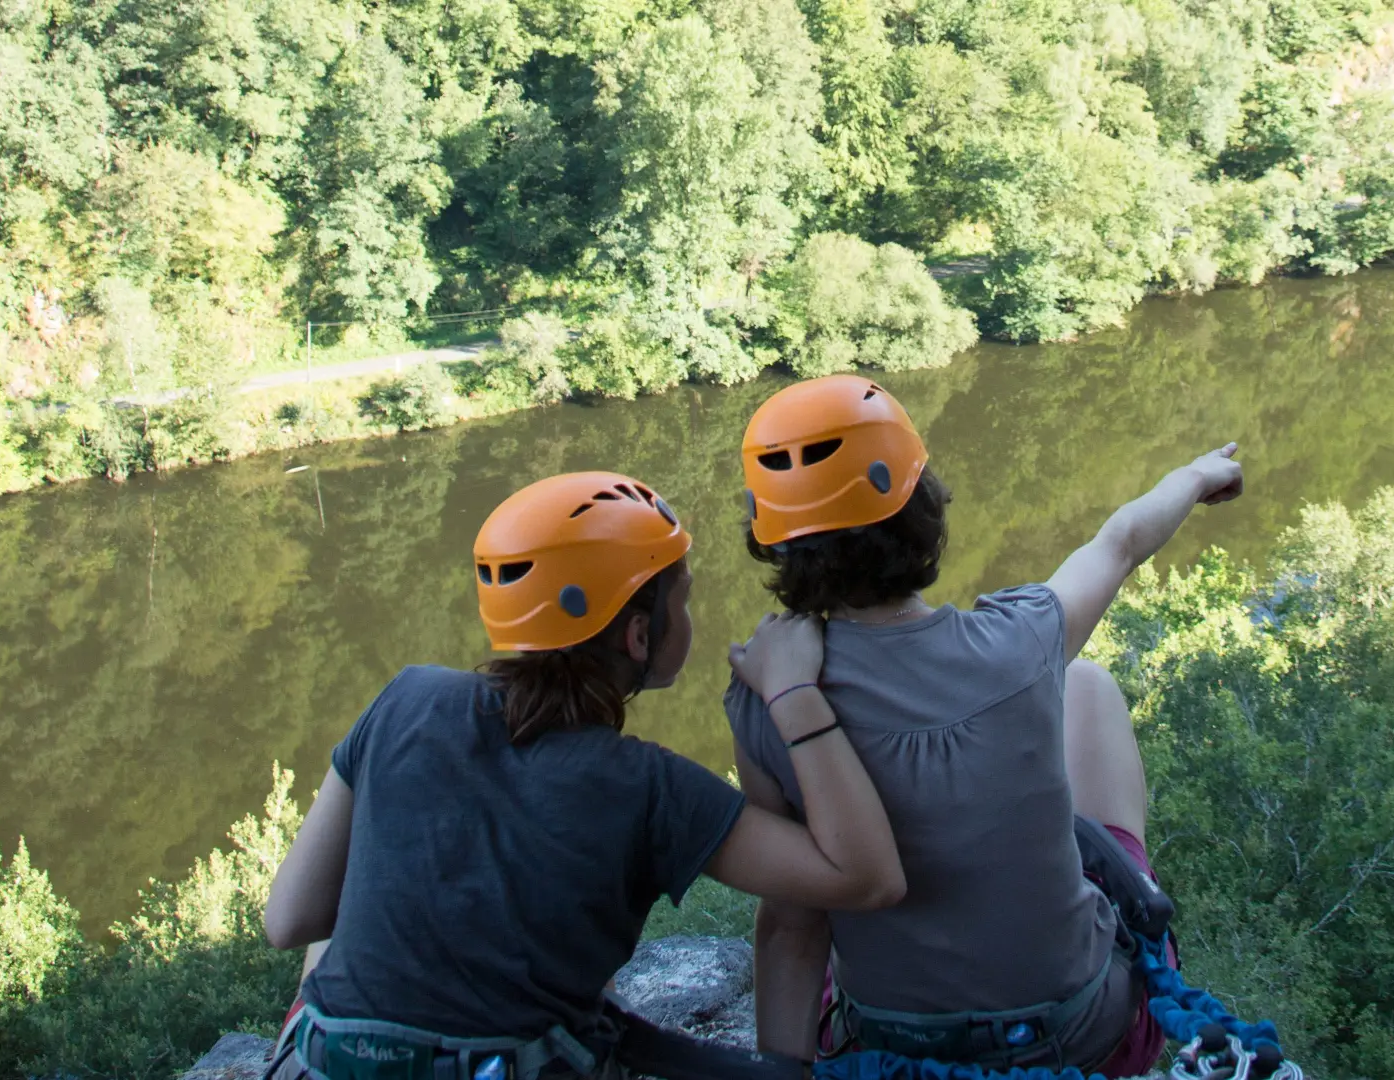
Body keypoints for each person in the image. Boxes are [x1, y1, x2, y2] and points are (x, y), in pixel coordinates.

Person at [261, 471, 905, 1080]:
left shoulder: (407, 697)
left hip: (330, 1059)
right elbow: (864, 876)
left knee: (327, 948)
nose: (687, 618)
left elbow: (291, 920)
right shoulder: (647, 785)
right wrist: (791, 693)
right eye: (681, 601)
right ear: (636, 636)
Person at [724, 375, 1244, 1076]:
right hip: (1088, 1037)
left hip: (899, 1053)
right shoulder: (1022, 640)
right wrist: (1197, 474)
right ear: (923, 507)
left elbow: (793, 921)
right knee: (1085, 684)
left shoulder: (767, 700)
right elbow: (1120, 543)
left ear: (773, 542)